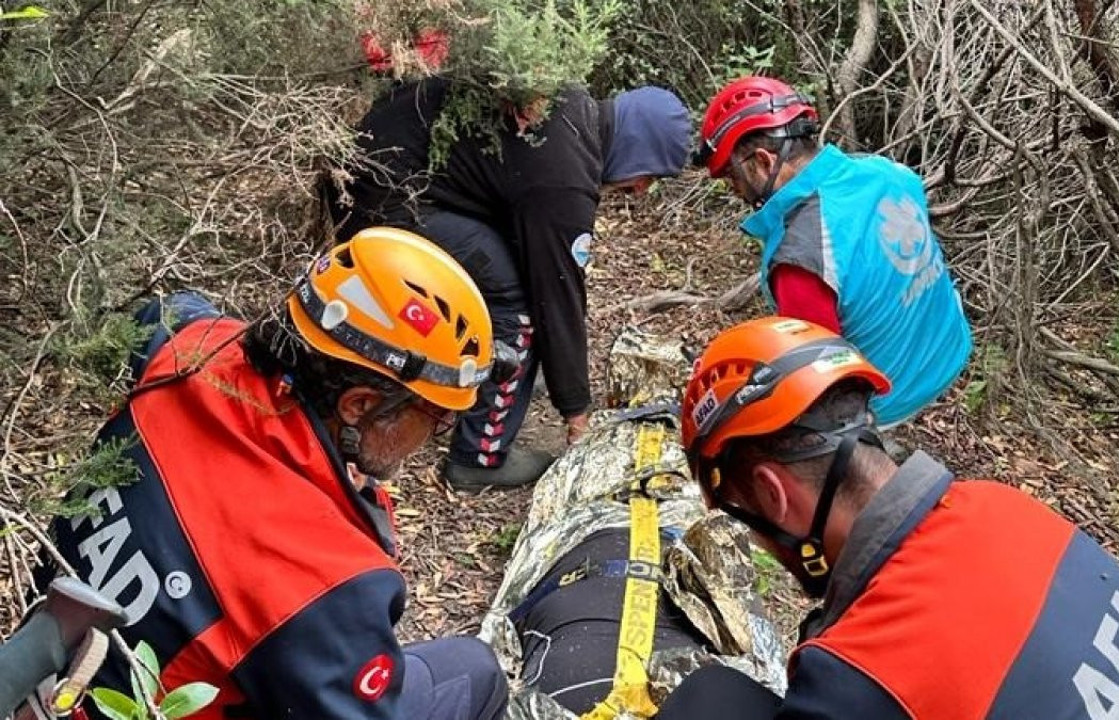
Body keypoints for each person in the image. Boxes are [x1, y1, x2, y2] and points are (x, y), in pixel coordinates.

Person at [35, 228, 511, 720]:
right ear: (359, 405)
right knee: (474, 670)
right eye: (437, 417)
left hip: (50, 679)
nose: (436, 434)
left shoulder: (188, 347)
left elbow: (165, 311)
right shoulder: (322, 579)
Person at [663, 316, 1119, 719]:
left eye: (745, 519)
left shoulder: (861, 673)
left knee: (711, 701)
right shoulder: (1004, 505)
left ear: (771, 492)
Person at [329, 77, 692, 491]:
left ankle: (508, 371)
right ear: (635, 147)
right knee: (519, 298)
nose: (642, 190)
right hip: (384, 199)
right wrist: (576, 411)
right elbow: (557, 296)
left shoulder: (571, 105)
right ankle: (479, 456)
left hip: (372, 174)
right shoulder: (566, 180)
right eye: (649, 175)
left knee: (513, 265)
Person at [693, 76, 972, 428]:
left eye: (732, 176)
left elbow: (816, 376)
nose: (734, 189)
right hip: (949, 349)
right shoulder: (888, 172)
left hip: (890, 399)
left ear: (764, 161)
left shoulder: (801, 256)